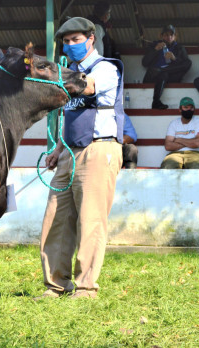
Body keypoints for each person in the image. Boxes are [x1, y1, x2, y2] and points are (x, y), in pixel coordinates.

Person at [37, 17, 124, 300]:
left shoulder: (106, 68)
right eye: (66, 41)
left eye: (76, 40)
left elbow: (87, 88)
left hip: (99, 149)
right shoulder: (69, 71)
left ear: (91, 39)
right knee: (56, 218)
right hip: (69, 151)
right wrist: (58, 149)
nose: (71, 45)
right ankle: (56, 285)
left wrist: (51, 73)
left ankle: (86, 288)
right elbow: (69, 114)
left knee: (90, 220)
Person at [142, 25, 192, 109]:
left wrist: (174, 58)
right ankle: (156, 102)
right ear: (161, 36)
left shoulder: (179, 48)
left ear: (175, 36)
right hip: (153, 75)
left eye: (171, 35)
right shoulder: (154, 45)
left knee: (187, 63)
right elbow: (144, 63)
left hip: (170, 76)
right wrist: (155, 50)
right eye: (166, 35)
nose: (169, 37)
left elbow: (186, 64)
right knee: (159, 72)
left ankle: (162, 71)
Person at [160, 97, 199, 169]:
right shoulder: (174, 123)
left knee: (196, 168)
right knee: (167, 167)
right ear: (180, 109)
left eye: (191, 108)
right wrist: (190, 142)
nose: (189, 110)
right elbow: (168, 146)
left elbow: (197, 143)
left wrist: (178, 139)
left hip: (195, 154)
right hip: (175, 154)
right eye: (185, 107)